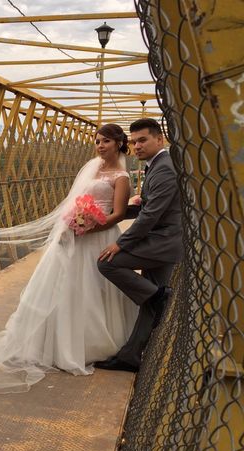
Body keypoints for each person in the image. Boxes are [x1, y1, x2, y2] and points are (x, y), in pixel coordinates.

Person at [0, 124, 138, 383]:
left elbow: (119, 213)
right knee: (65, 287)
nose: (100, 146)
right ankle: (54, 343)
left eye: (106, 141)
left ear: (119, 143)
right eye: (97, 141)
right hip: (76, 234)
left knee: (94, 288)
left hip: (100, 236)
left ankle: (91, 345)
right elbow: (75, 201)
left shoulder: (121, 176)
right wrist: (72, 222)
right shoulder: (90, 168)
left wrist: (92, 226)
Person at [95, 118, 182, 373]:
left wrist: (120, 244)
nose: (137, 146)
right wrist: (123, 208)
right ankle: (130, 356)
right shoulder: (156, 165)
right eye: (133, 142)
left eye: (142, 140)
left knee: (107, 263)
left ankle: (160, 296)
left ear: (160, 139)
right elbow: (151, 206)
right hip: (165, 239)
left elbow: (151, 216)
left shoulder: (164, 167)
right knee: (149, 302)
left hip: (163, 241)